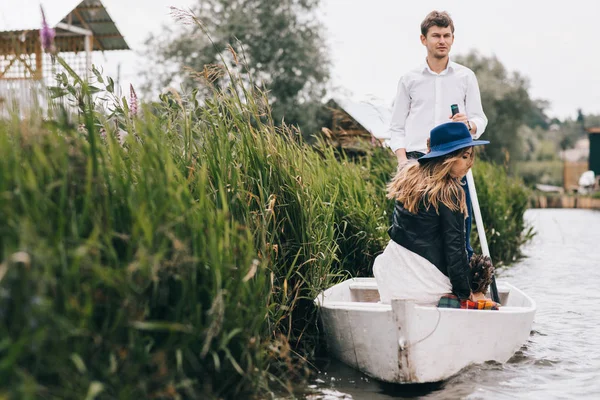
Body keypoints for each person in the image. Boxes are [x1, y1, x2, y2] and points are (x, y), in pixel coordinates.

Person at [387, 10, 488, 259]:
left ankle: (460, 290)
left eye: (447, 35)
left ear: (453, 39)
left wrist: (469, 126)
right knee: (411, 232)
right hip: (417, 163)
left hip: (453, 163)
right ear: (424, 40)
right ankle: (412, 285)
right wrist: (403, 162)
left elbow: (480, 119)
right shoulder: (409, 80)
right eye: (436, 35)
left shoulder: (466, 77)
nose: (442, 40)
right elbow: (396, 127)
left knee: (459, 232)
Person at [373, 122, 489, 305]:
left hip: (389, 278)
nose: (470, 163)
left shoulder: (409, 177)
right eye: (465, 156)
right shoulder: (450, 191)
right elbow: (454, 249)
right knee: (477, 272)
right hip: (423, 287)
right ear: (447, 158)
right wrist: (465, 294)